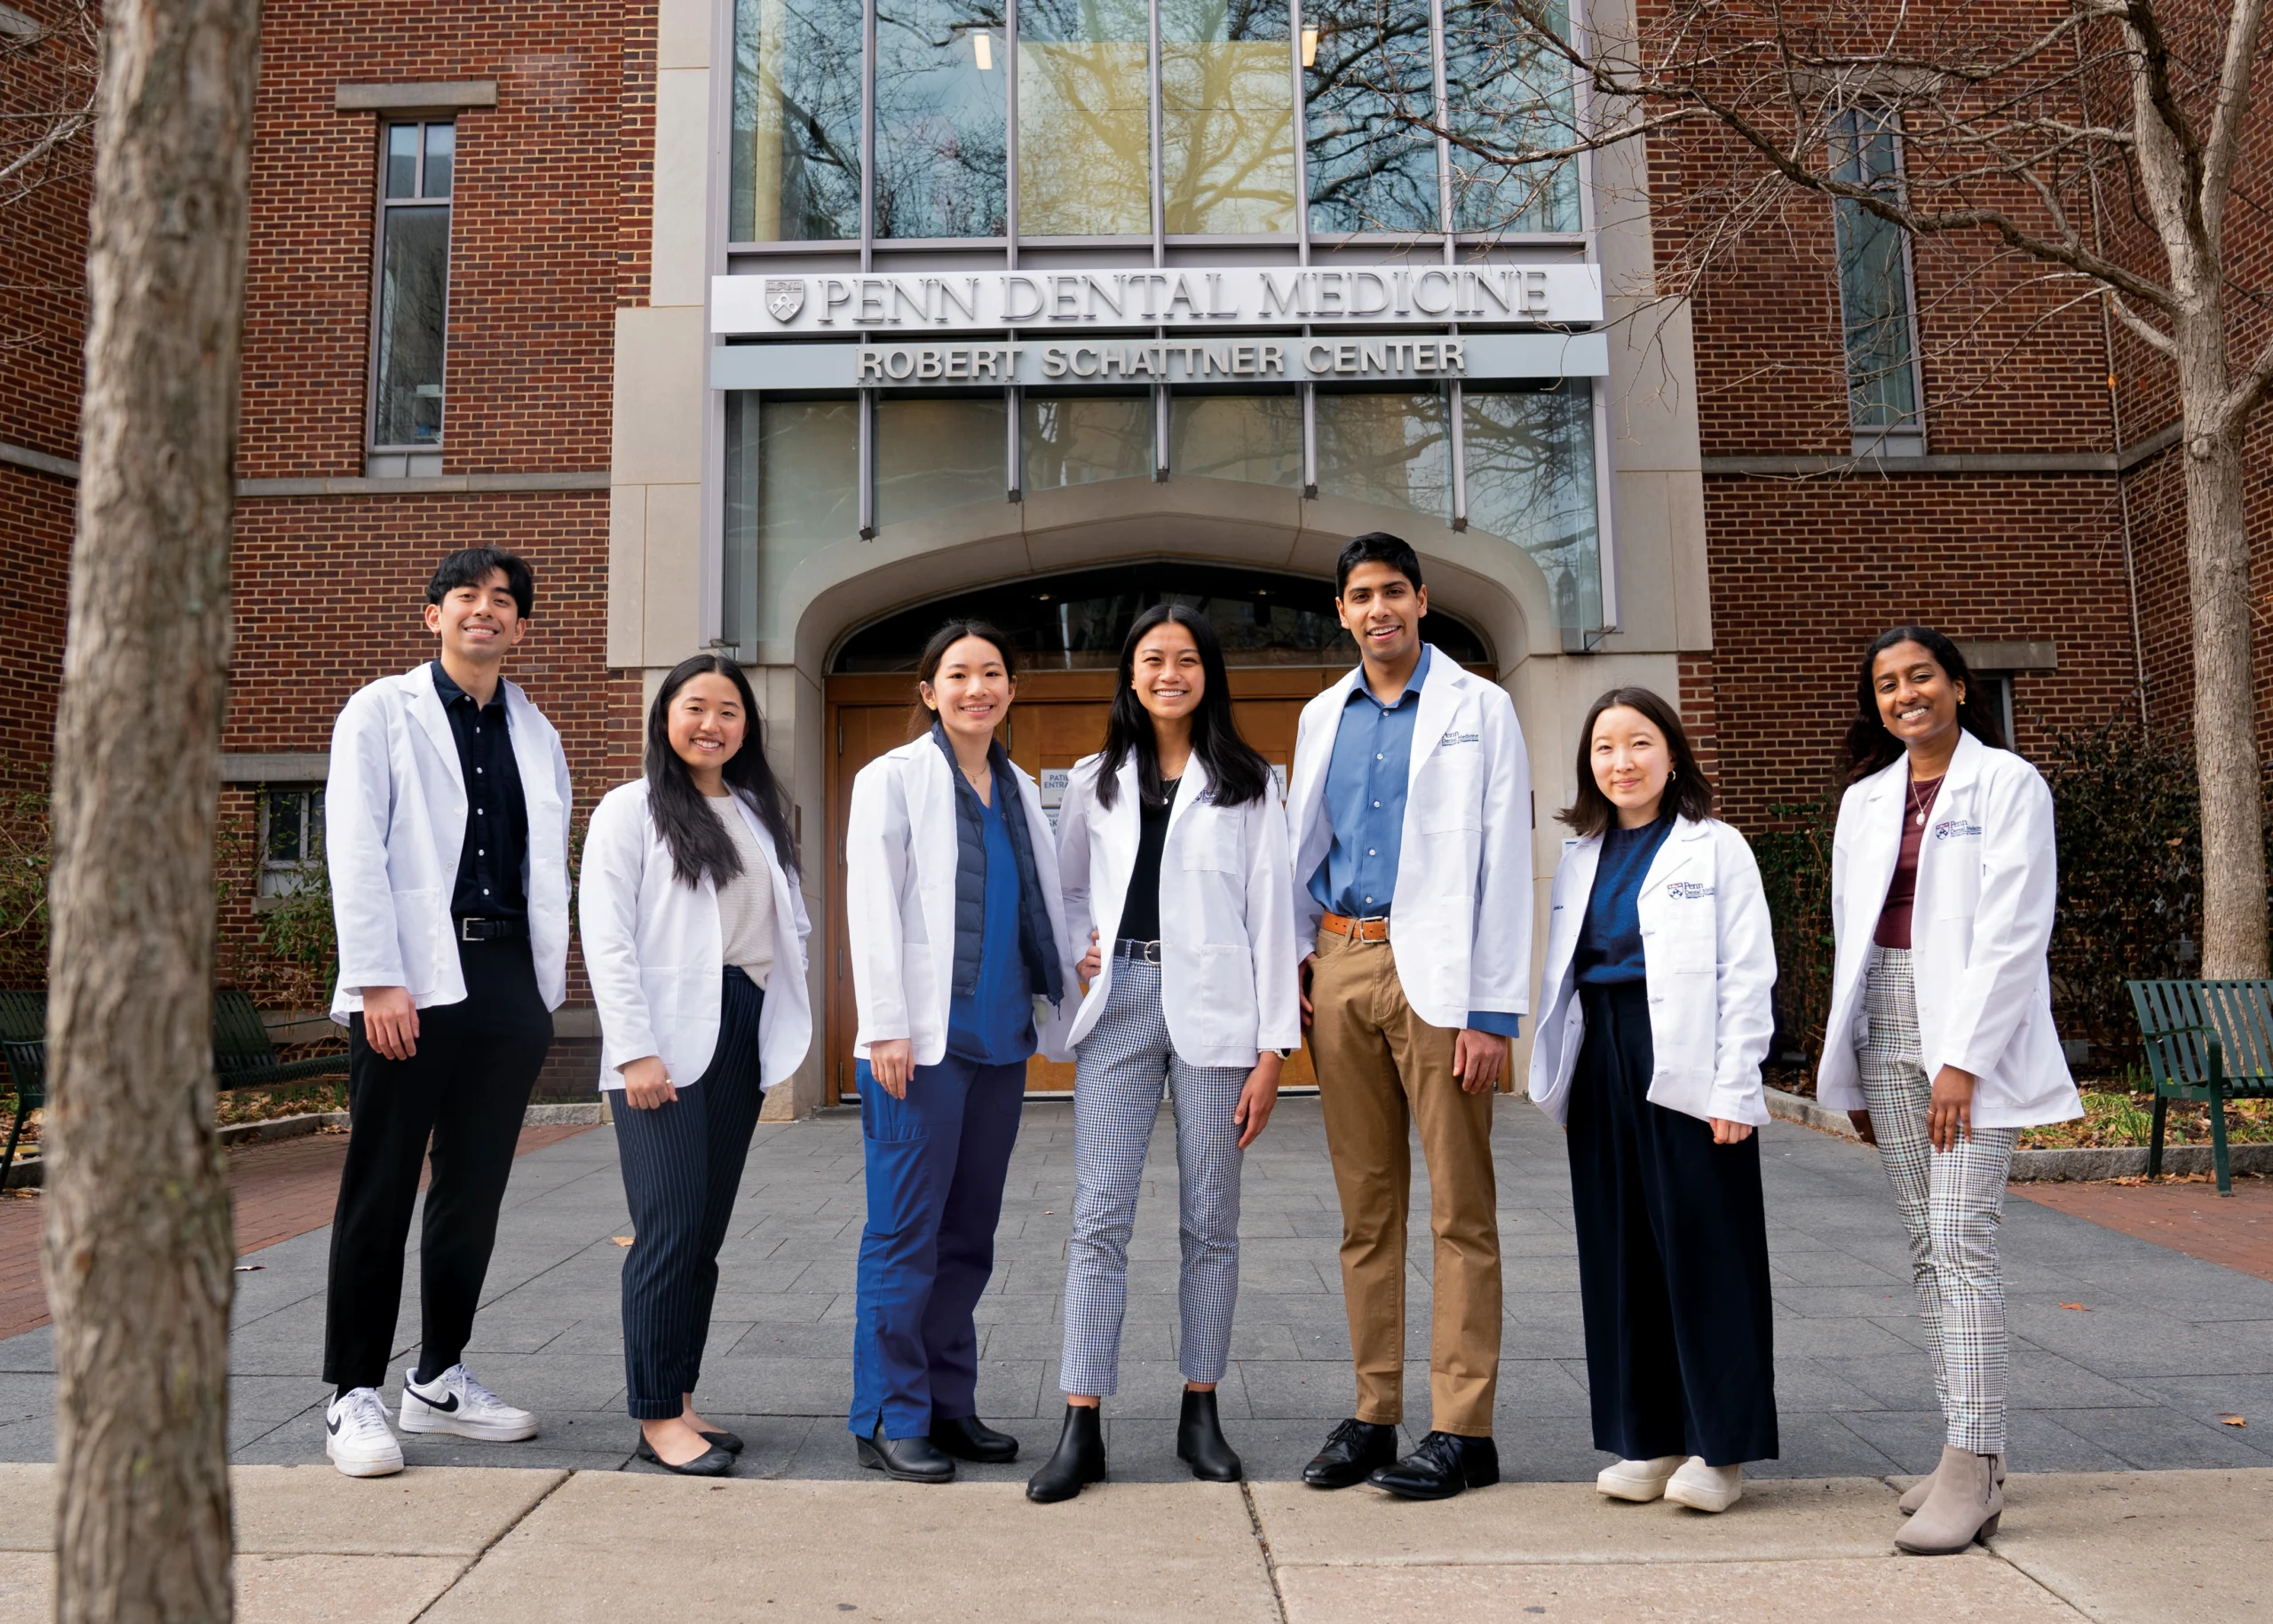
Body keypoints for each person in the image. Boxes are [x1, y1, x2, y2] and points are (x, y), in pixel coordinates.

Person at [1026, 606, 1300, 1502]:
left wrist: (1272, 1052)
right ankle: (1082, 1419)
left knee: (1209, 1221)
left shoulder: (1250, 782)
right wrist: (1083, 947)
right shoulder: (1098, 777)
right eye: (1153, 658)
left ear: (1207, 673)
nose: (1169, 671)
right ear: (1131, 674)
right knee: (1099, 1217)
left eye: (1186, 658)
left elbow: (1273, 917)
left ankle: (1199, 1407)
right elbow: (1066, 887)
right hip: (1121, 1008)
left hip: (1218, 1014)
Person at [1818, 626, 2079, 1555]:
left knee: (1962, 1238)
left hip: (1968, 1029)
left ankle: (1972, 1464)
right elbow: (1852, 935)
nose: (1904, 694)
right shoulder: (1866, 798)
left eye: (1920, 676)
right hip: (1881, 1019)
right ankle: (1966, 1439)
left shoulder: (2006, 784)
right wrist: (1847, 1060)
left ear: (1959, 686)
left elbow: (2015, 930)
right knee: (1927, 1245)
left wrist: (1959, 1059)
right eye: (1886, 684)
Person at [1287, 532, 1532, 1501]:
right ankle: (1375, 1412)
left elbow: (1503, 861)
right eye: (1360, 595)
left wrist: (1490, 1011)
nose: (1377, 608)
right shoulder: (1319, 715)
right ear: (1341, 612)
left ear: (1422, 600)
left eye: (1393, 590)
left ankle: (1463, 1428)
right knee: (1365, 1207)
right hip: (1341, 960)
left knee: (1458, 1206)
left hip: (1440, 976)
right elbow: (1297, 850)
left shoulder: (1482, 706)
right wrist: (1295, 967)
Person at [319, 548, 571, 1477]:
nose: (485, 610)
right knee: (380, 1184)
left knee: (473, 1189)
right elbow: (355, 845)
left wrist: (543, 999)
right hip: (414, 978)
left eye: (503, 601)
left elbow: (546, 865)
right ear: (434, 615)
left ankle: (437, 1376)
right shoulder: (380, 710)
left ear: (521, 627)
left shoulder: (535, 730)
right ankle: (352, 1391)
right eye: (467, 596)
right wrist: (378, 976)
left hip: (507, 978)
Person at [1529, 687, 1778, 1514]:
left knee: (1707, 1252)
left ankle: (1720, 1447)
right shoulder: (1580, 854)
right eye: (1604, 747)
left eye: (1639, 743)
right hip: (1602, 1052)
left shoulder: (1717, 847)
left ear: (1672, 756)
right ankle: (1649, 1435)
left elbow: (1748, 973)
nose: (1621, 761)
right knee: (1620, 1250)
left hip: (1688, 1059)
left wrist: (1737, 1081)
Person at [843, 620, 1081, 1483]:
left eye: (992, 672)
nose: (976, 686)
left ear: (1011, 690)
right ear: (928, 690)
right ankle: (886, 1412)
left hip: (1000, 1045)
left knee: (968, 1236)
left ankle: (947, 1402)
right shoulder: (892, 779)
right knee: (905, 1232)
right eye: (958, 673)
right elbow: (872, 907)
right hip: (918, 1047)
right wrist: (884, 1027)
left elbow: (1037, 907)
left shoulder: (1017, 787)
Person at [580, 655, 812, 1477]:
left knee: (704, 1234)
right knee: (668, 1229)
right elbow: (606, 939)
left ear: (746, 726)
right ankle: (654, 1417)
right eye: (695, 707)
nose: (712, 723)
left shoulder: (756, 810)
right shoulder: (629, 809)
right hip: (666, 1040)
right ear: (665, 717)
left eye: (728, 711)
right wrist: (634, 1048)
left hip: (741, 1024)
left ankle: (679, 1397)